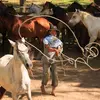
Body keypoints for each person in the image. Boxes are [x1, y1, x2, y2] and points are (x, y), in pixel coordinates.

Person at [41, 26, 63, 96]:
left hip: (54, 60)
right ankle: (42, 86)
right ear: (50, 32)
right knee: (46, 74)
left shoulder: (58, 40)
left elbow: (60, 46)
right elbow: (47, 47)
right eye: (53, 31)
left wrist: (58, 50)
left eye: (55, 31)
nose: (54, 32)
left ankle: (53, 91)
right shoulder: (46, 39)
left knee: (55, 75)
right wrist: (55, 50)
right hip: (47, 59)